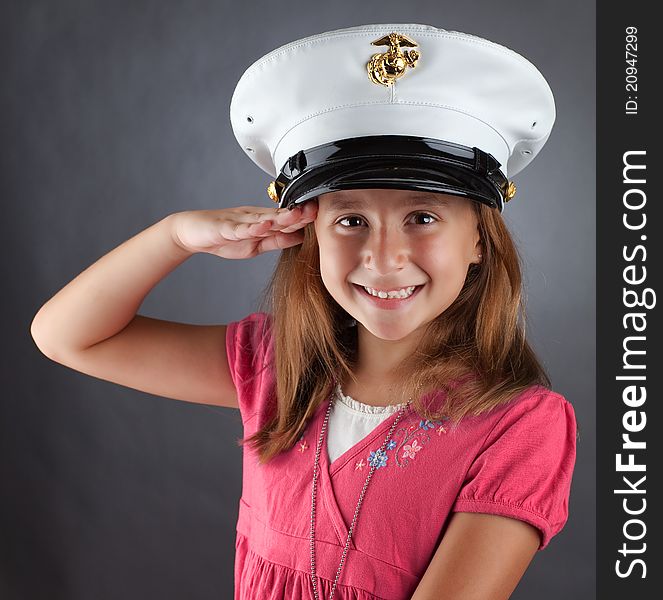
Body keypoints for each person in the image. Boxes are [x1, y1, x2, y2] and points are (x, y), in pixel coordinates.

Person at [30, 23, 578, 600]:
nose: (384, 257)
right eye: (350, 220)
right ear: (309, 235)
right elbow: (66, 336)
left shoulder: (521, 426)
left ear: (479, 242)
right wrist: (176, 236)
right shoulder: (276, 366)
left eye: (423, 217)